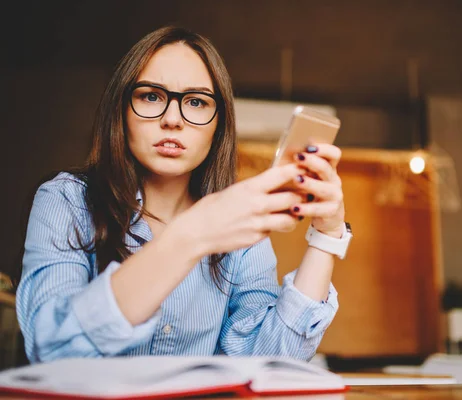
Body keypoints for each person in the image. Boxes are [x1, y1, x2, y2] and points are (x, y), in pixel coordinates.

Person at [16, 26, 352, 363]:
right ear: (121, 110)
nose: (173, 119)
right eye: (151, 96)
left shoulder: (240, 232)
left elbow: (270, 360)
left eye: (196, 101)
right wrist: (191, 236)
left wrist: (326, 236)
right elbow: (52, 350)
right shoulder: (67, 201)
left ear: (219, 123)